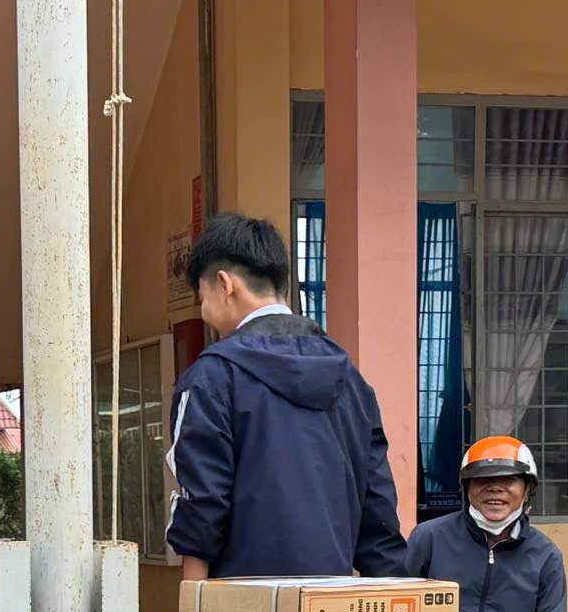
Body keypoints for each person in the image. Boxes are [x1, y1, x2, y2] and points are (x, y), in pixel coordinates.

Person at [164, 212, 407, 582]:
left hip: (241, 602)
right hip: (330, 604)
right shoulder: (351, 380)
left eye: (202, 296)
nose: (203, 310)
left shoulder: (211, 378)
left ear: (225, 284)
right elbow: (379, 514)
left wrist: (192, 608)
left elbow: (202, 508)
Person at [404, 436, 567, 612]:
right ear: (466, 488)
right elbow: (399, 609)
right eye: (482, 480)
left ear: (527, 490)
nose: (495, 489)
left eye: (508, 480)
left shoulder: (546, 556)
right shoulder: (429, 538)